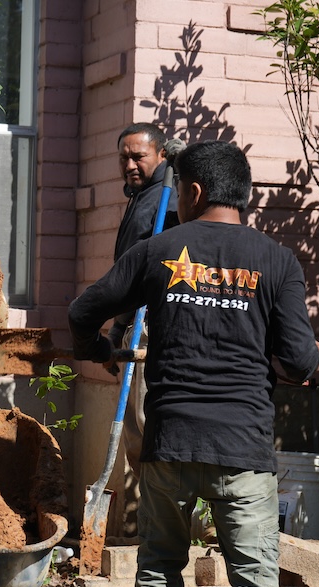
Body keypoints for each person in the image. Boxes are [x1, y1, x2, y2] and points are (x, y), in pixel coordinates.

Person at [68, 141, 319, 587]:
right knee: (253, 576)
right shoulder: (276, 260)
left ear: (194, 191)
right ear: (243, 195)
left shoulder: (158, 250)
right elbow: (298, 362)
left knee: (160, 563)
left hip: (170, 444)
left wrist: (95, 350)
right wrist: (313, 356)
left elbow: (82, 311)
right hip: (243, 448)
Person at [111, 124, 184, 483]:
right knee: (135, 433)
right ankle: (150, 517)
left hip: (154, 325)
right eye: (123, 158)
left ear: (161, 156)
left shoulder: (169, 201)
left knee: (146, 420)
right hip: (133, 324)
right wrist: (117, 327)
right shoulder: (141, 198)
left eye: (138, 157)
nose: (130, 165)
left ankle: (171, 513)